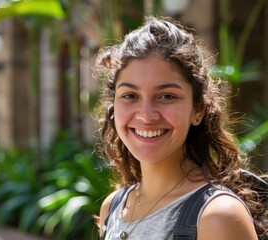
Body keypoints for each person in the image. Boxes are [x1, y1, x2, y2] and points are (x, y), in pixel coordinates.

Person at [93, 16, 267, 240]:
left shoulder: (216, 216)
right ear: (113, 107)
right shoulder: (113, 208)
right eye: (130, 96)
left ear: (198, 110)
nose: (146, 115)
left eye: (167, 96)